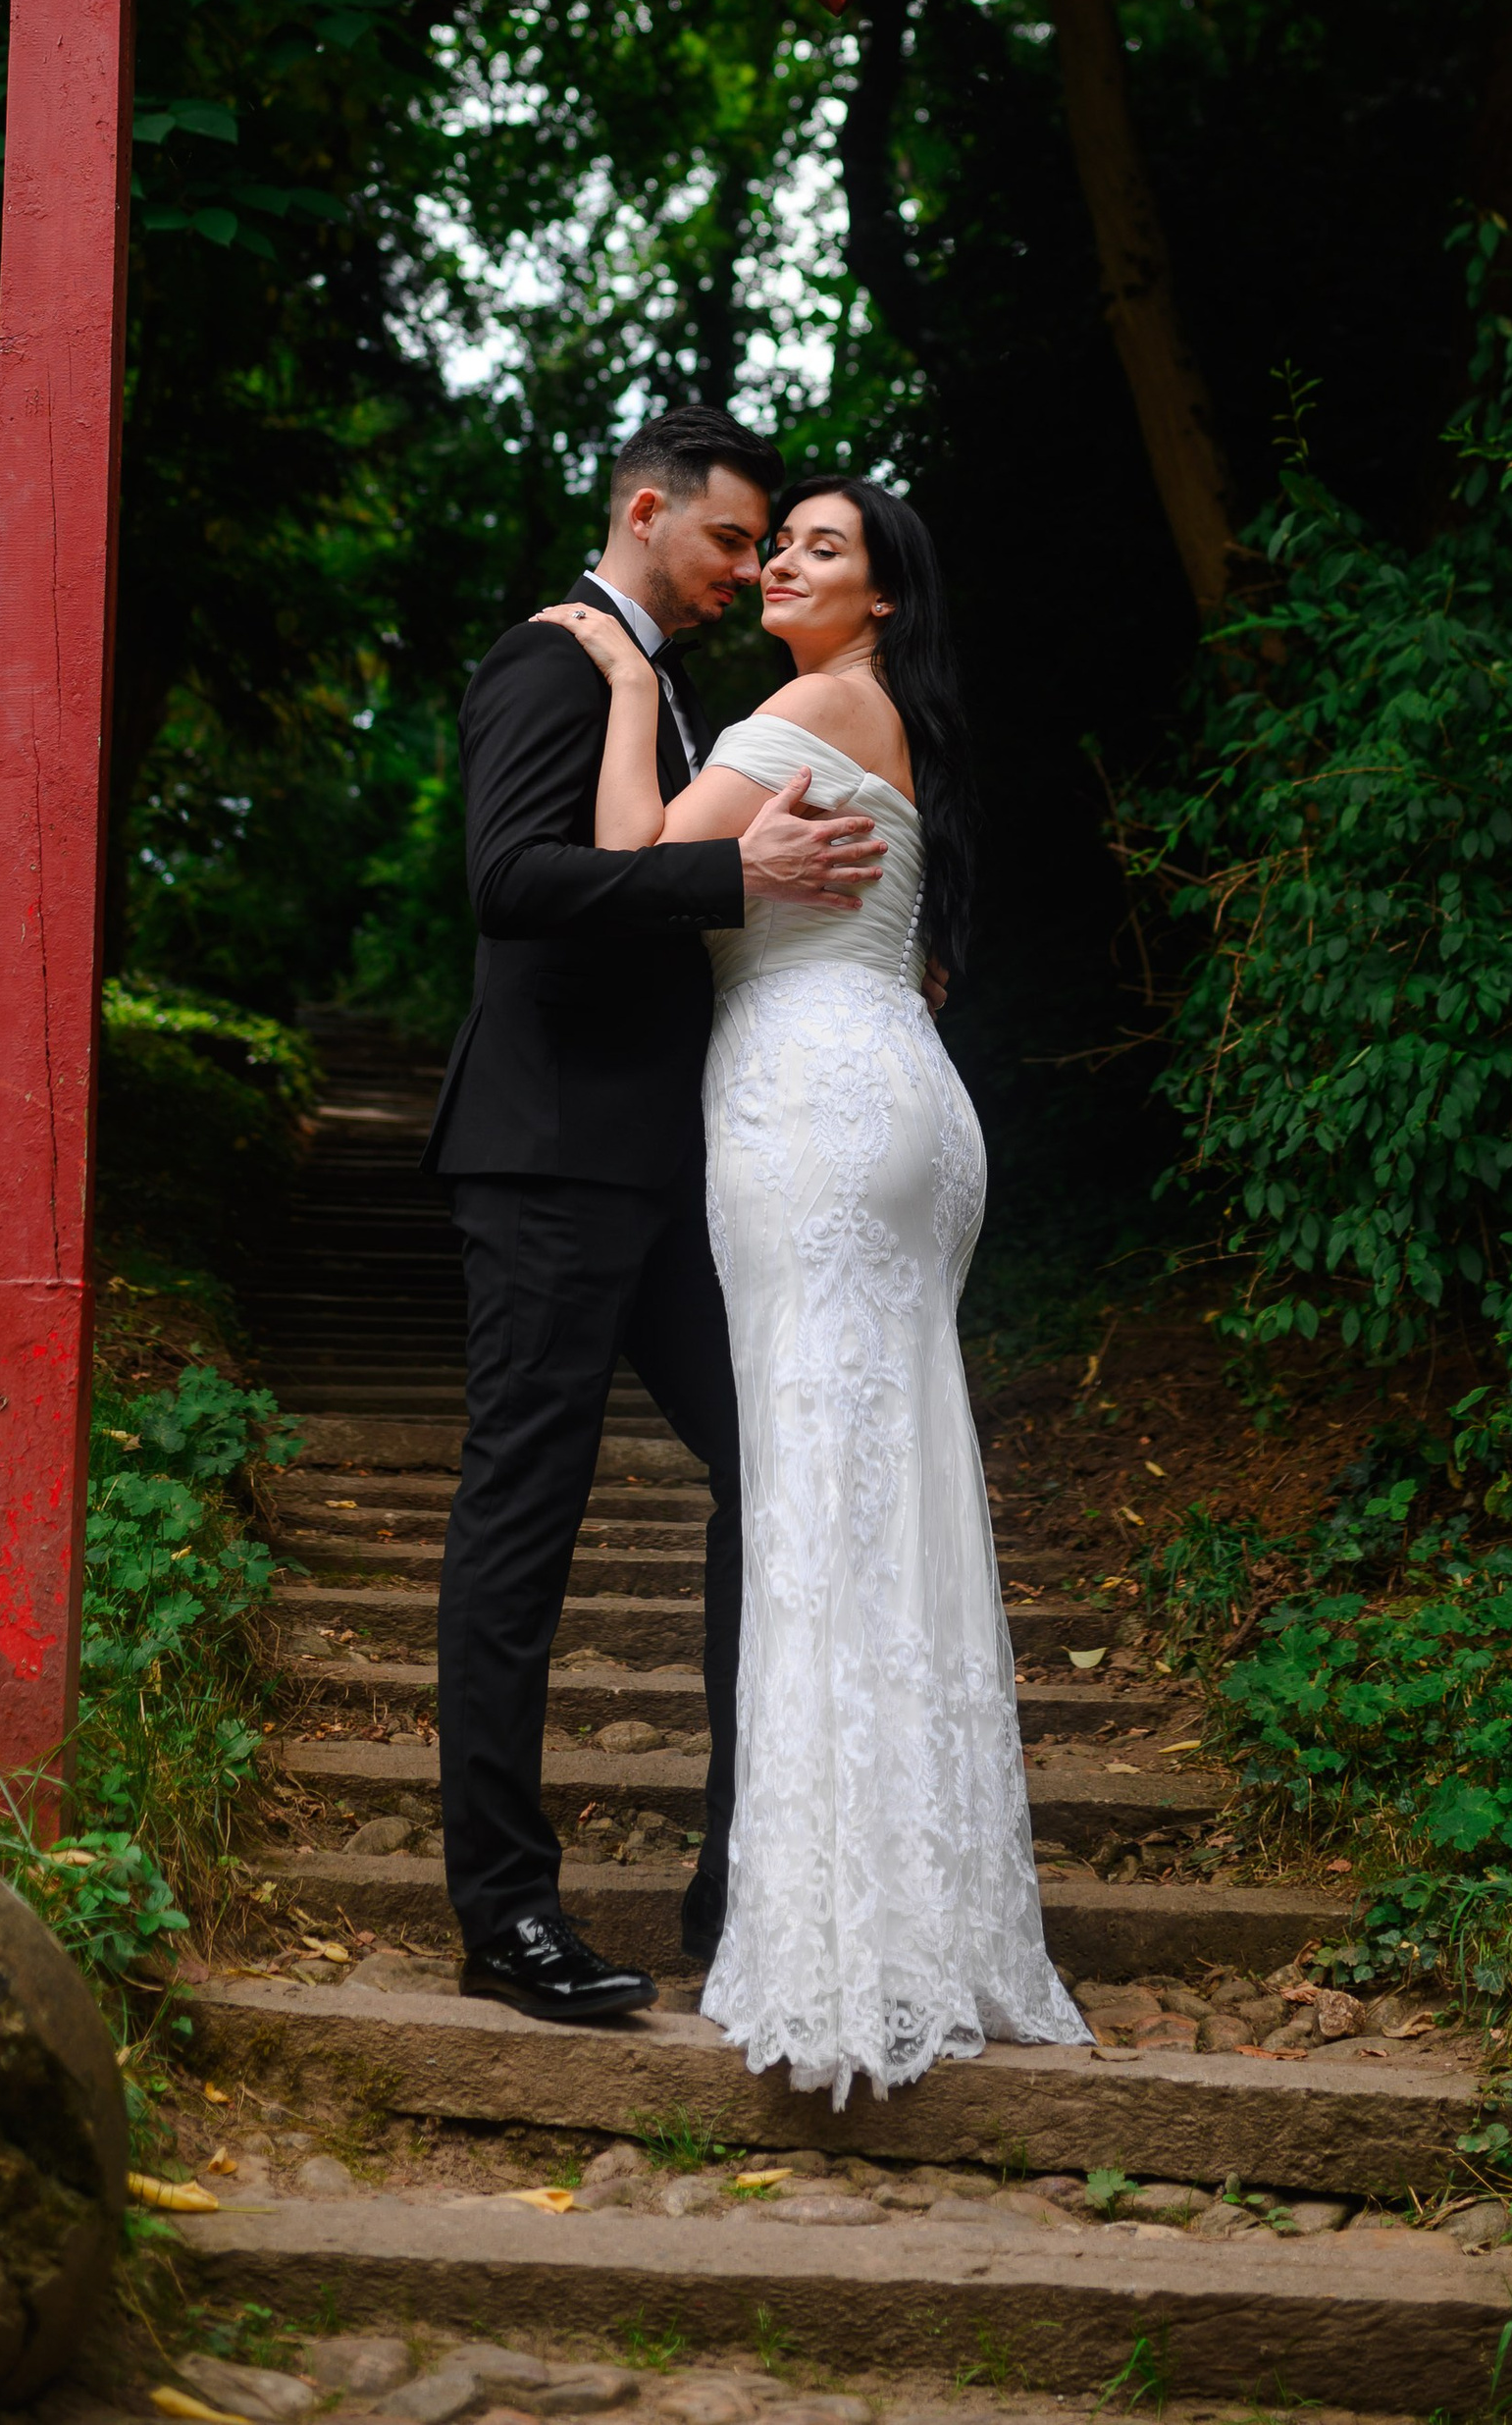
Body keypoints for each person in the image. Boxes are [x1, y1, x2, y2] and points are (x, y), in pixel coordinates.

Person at [535, 472, 1087, 2104]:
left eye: (821, 548)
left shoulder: (808, 703)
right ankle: (926, 1909)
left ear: (886, 598)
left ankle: (849, 1939)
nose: (782, 559)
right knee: (882, 1499)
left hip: (817, 1115)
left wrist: (632, 684)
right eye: (778, 542)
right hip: (904, 1096)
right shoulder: (886, 716)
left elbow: (626, 851)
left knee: (817, 1509)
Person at [427, 406, 887, 2026]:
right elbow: (510, 879)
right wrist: (733, 884)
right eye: (729, 541)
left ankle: (742, 1863)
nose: (748, 570)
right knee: (522, 1521)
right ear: (645, 510)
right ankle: (505, 1914)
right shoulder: (551, 661)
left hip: (670, 1169)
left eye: (769, 547)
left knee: (774, 1466)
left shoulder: (669, 692)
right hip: (549, 1163)